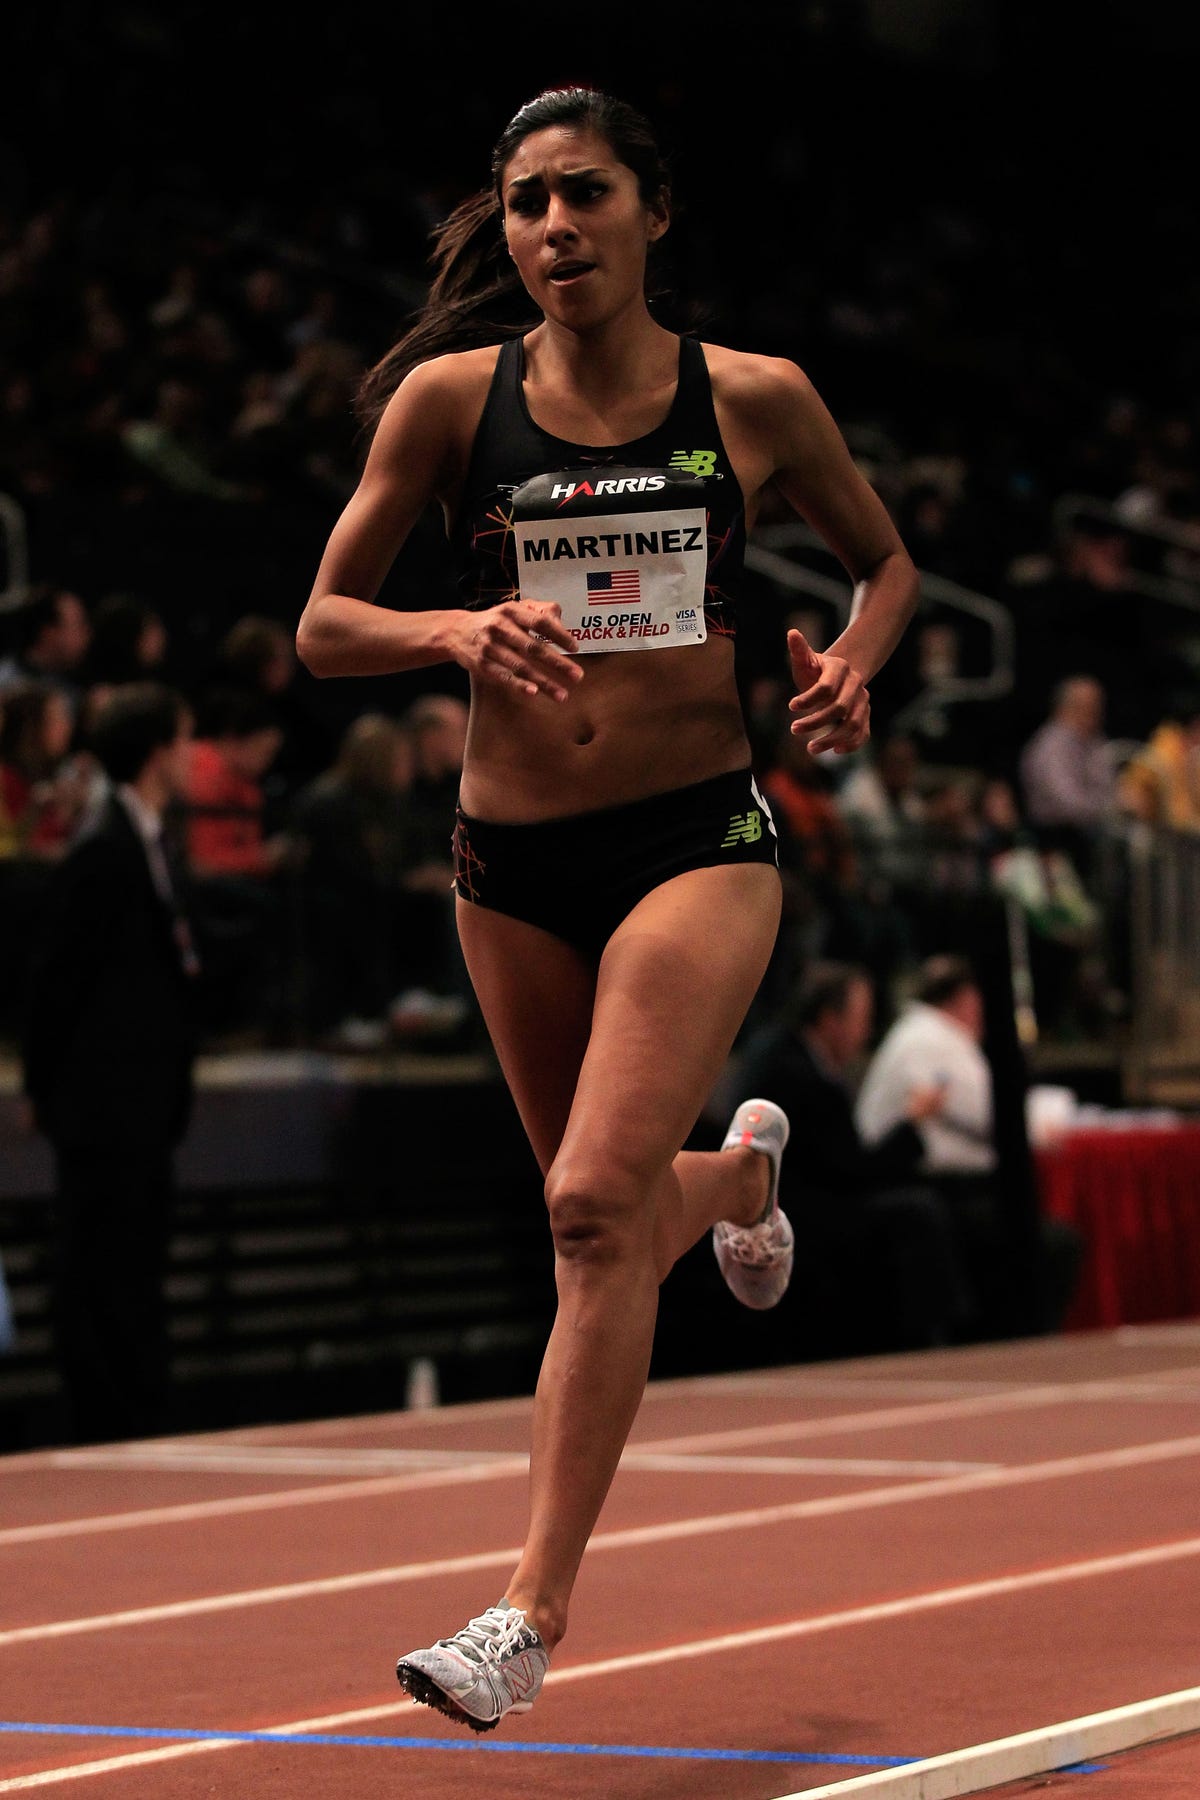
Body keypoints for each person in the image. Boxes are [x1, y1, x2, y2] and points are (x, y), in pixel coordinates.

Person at [296, 85, 920, 1732]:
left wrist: (853, 666)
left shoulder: (757, 398)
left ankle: (525, 1615)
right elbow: (323, 624)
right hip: (507, 866)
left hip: (692, 842)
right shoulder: (448, 404)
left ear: (655, 211)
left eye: (584, 195)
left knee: (584, 1207)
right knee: (615, 1214)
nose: (551, 228)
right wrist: (450, 635)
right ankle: (740, 1178)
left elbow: (890, 566)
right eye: (524, 203)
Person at [19, 681, 200, 1444]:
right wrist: (43, 1085)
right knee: (99, 1260)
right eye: (184, 739)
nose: (193, 755)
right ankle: (104, 1414)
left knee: (133, 1257)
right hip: (103, 1100)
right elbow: (53, 981)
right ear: (159, 752)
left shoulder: (149, 838)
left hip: (141, 1097)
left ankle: (134, 1405)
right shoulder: (102, 850)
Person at [732, 959, 975, 1358]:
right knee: (919, 1212)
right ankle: (932, 1340)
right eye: (862, 1019)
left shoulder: (787, 1055)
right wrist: (912, 1124)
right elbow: (853, 1173)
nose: (866, 1031)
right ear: (830, 1019)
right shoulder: (802, 1076)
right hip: (801, 1213)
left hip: (803, 1200)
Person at [855, 953, 1084, 1337]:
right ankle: (1020, 1342)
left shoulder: (922, 1033)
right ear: (964, 998)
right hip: (926, 1188)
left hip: (931, 1185)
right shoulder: (932, 1039)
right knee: (1050, 1242)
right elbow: (996, 1116)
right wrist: (1049, 1120)